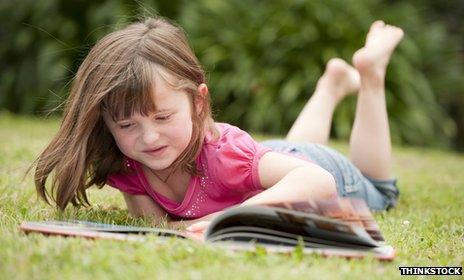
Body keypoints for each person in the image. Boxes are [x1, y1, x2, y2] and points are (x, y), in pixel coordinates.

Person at [33, 18, 403, 232]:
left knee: (382, 192)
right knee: (286, 149)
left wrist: (224, 219)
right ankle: (331, 85)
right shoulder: (128, 164)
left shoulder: (226, 153)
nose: (148, 137)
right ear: (107, 123)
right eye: (127, 124)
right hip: (272, 159)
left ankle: (372, 76)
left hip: (316, 167)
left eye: (163, 117)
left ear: (198, 102)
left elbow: (319, 182)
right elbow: (162, 227)